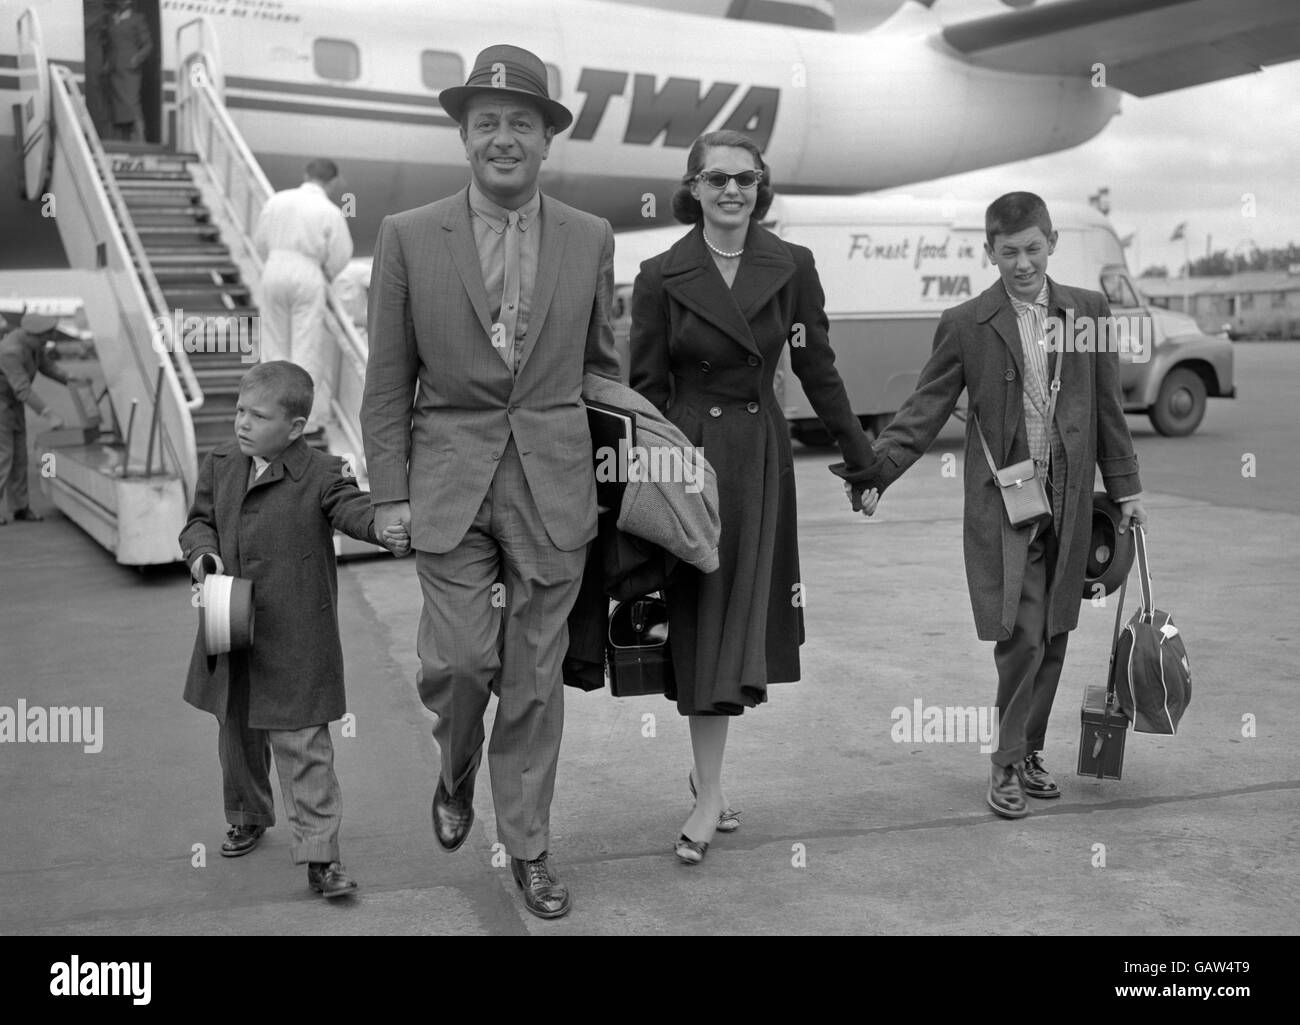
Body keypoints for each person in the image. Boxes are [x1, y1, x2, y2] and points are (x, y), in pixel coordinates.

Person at [361, 44, 620, 920]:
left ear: (548, 139)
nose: (503, 138)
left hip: (554, 486)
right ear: (464, 138)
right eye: (486, 125)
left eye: (521, 123)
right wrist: (389, 492)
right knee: (464, 660)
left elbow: (602, 370)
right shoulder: (405, 235)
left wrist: (645, 464)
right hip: (447, 480)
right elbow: (387, 380)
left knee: (536, 681)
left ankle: (532, 846)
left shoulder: (590, 237)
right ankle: (455, 765)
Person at [628, 130, 880, 865]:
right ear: (694, 187)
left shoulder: (792, 267)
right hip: (689, 459)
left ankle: (707, 784)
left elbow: (818, 368)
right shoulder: (658, 274)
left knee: (736, 624)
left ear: (761, 186)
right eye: (716, 179)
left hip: (760, 459)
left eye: (745, 178)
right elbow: (643, 391)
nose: (732, 190)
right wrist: (632, 478)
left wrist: (861, 462)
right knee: (703, 622)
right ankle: (708, 790)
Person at [854, 192, 1147, 818]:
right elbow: (924, 410)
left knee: (1056, 633)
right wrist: (876, 472)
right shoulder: (967, 322)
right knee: (1020, 635)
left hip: (1071, 503)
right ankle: (1006, 764)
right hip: (1006, 507)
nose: (1021, 263)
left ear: (1052, 243)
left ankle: (1028, 750)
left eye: (1032, 249)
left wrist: (1126, 492)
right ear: (989, 250)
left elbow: (1108, 410)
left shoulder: (1089, 312)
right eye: (1008, 251)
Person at [179, 361, 409, 898]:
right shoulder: (220, 464)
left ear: (295, 427)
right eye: (239, 410)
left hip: (297, 632)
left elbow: (351, 509)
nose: (241, 423)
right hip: (227, 615)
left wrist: (382, 526)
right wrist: (203, 552)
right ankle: (247, 812)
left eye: (257, 416)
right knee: (235, 727)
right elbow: (198, 522)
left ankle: (320, 857)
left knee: (303, 741)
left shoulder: (324, 474)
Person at [253, 158, 354, 434]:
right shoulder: (329, 210)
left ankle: (266, 413)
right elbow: (341, 254)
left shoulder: (277, 200)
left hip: (274, 267)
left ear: (305, 174)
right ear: (332, 182)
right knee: (305, 346)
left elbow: (260, 240)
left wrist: (272, 260)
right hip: (308, 271)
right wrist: (326, 273)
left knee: (273, 343)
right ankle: (299, 420)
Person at [0, 312, 81, 525]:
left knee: (19, 458)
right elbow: (22, 389)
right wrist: (48, 413)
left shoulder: (34, 346)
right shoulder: (10, 351)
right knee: (3, 458)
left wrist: (70, 379)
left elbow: (47, 367)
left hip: (13, 407)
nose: (49, 339)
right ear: (33, 334)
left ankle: (20, 508)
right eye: (46, 335)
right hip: (2, 407)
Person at [104, 0, 152, 142]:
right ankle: (124, 142)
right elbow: (109, 44)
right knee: (119, 110)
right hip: (114, 70)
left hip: (130, 70)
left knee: (132, 105)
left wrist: (136, 59)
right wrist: (108, 63)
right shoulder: (111, 19)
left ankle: (141, 141)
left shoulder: (137, 18)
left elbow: (148, 45)